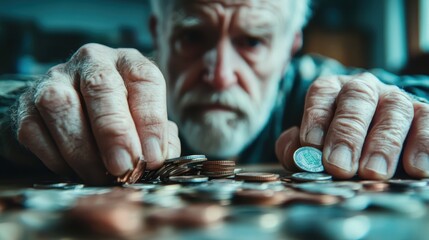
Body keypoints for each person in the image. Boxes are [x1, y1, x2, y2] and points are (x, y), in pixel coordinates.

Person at [0, 0, 428, 185]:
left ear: (290, 48)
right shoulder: (116, 85)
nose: (220, 76)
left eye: (252, 42)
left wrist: (410, 115)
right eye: (193, 36)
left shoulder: (321, 91)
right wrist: (19, 114)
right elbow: (19, 100)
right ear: (158, 35)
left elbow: (412, 97)